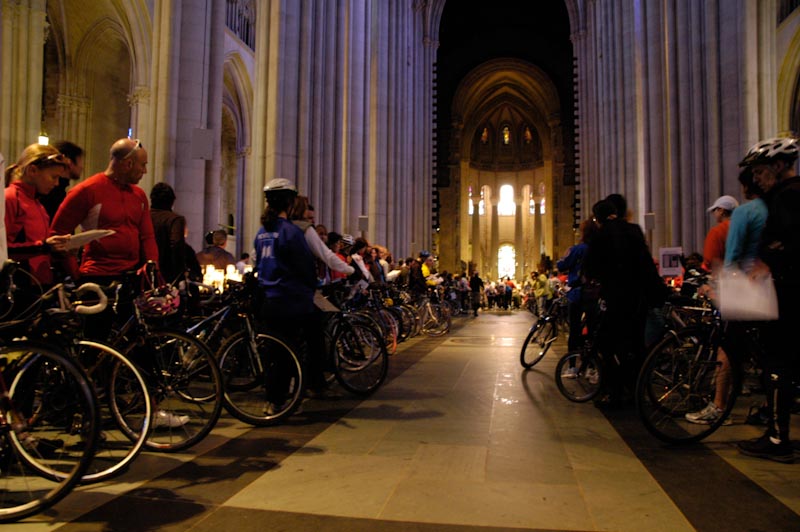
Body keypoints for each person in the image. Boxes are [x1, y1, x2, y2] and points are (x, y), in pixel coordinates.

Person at [736, 136, 800, 463]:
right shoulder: (787, 195)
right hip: (786, 291)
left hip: (787, 296)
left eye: (760, 172)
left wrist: (764, 264)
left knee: (776, 362)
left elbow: (785, 245)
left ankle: (777, 439)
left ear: (778, 166)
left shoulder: (787, 197)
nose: (756, 179)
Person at [583, 197, 667, 407]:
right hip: (638, 299)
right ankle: (637, 392)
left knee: (606, 344)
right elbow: (646, 263)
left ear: (598, 218)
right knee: (636, 345)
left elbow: (591, 268)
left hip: (616, 299)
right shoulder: (634, 230)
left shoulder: (601, 235)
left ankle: (615, 393)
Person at [256, 178, 325, 403]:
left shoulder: (262, 233)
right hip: (289, 300)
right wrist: (312, 286)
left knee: (272, 352)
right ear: (288, 202)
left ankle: (271, 398)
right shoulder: (290, 232)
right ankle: (286, 398)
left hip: (268, 300)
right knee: (291, 350)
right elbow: (304, 267)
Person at [51, 137, 158, 281]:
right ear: (128, 164)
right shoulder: (86, 190)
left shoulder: (139, 195)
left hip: (132, 277)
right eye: (143, 165)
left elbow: (148, 237)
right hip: (97, 276)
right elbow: (57, 234)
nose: (144, 171)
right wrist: (75, 274)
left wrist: (152, 272)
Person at [4, 144, 71, 286]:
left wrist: (57, 252)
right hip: (18, 288)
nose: (57, 183)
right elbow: (2, 250)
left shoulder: (38, 204)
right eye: (54, 177)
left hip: (38, 286)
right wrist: (44, 247)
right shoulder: (10, 198)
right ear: (32, 170)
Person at [287, 195, 354, 283]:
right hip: (299, 282)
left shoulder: (282, 226)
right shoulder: (305, 228)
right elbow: (326, 255)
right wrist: (350, 270)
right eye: (310, 217)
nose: (313, 221)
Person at [557, 218, 595, 358]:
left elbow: (562, 265)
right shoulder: (599, 249)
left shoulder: (578, 249)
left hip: (578, 293)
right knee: (592, 329)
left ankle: (572, 365)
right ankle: (592, 365)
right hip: (595, 294)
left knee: (574, 329)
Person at [149, 182, 188, 284]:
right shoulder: (175, 220)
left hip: (144, 270)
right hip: (166, 273)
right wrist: (180, 273)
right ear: (171, 201)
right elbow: (176, 244)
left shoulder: (143, 216)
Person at [39, 140, 85, 220]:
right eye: (80, 161)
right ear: (69, 162)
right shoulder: (51, 191)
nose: (82, 167)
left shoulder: (58, 190)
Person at [703, 195, 738, 273]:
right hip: (748, 278)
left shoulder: (717, 231)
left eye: (714, 210)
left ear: (721, 210)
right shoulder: (745, 228)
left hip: (725, 278)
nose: (714, 214)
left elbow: (710, 260)